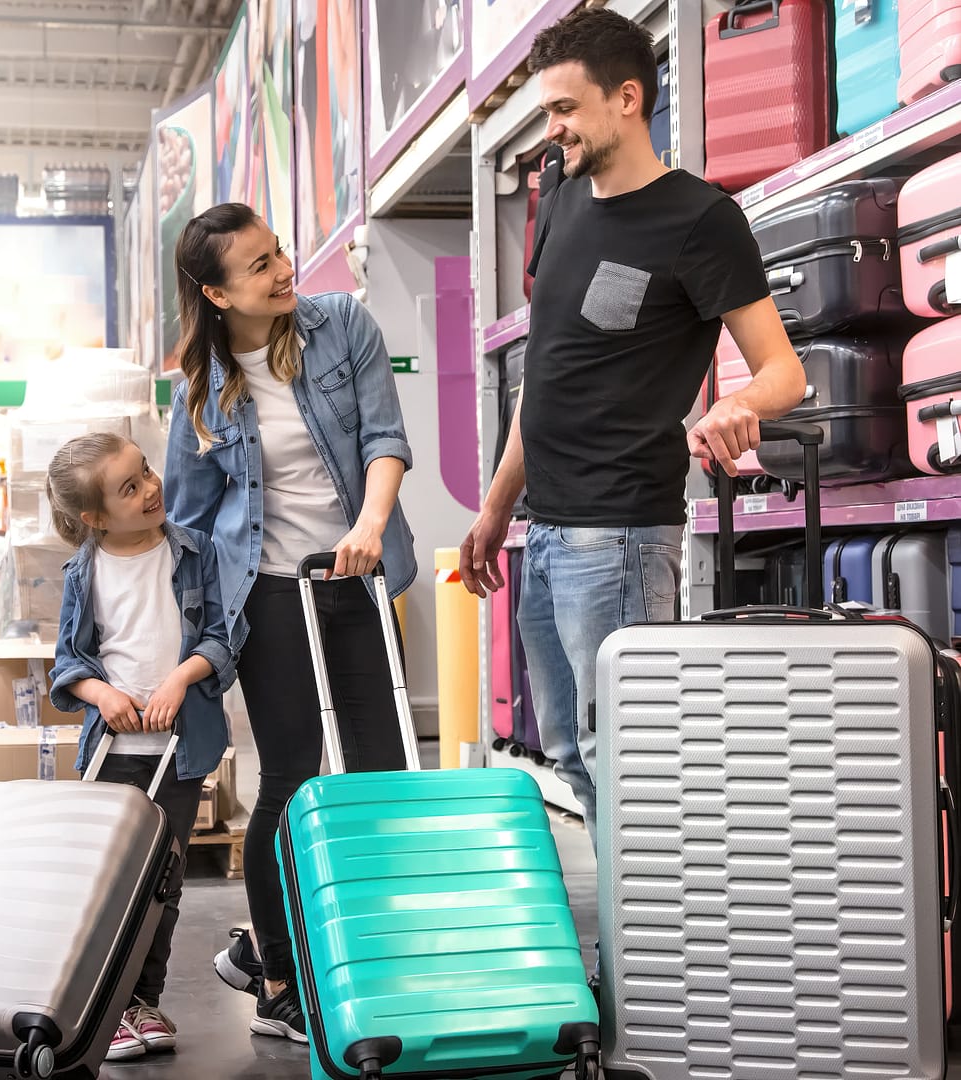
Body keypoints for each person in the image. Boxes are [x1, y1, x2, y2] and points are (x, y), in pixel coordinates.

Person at [460, 10, 806, 850]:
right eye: (546, 113)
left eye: (565, 110)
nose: (552, 131)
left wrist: (736, 405)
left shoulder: (698, 220)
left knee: (631, 765)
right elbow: (546, 372)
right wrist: (498, 506)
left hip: (618, 537)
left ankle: (653, 966)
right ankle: (629, 953)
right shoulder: (564, 202)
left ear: (626, 98)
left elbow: (783, 373)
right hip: (544, 534)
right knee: (574, 762)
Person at [163, 202, 416, 1043]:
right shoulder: (199, 390)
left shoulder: (339, 324)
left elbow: (384, 435)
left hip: (358, 575)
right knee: (292, 778)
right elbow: (190, 525)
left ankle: (378, 957)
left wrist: (371, 524)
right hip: (267, 595)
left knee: (381, 778)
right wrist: (192, 644)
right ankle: (275, 975)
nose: (283, 270)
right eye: (259, 265)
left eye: (278, 251)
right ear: (216, 292)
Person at [47, 432, 236, 1062]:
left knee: (165, 881)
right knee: (111, 885)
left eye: (147, 471)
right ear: (94, 518)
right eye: (130, 487)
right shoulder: (84, 570)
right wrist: (104, 697)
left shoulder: (194, 551)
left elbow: (221, 638)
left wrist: (181, 680)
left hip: (178, 752)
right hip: (115, 753)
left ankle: (143, 1003)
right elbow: (69, 664)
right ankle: (110, 1006)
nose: (152, 487)